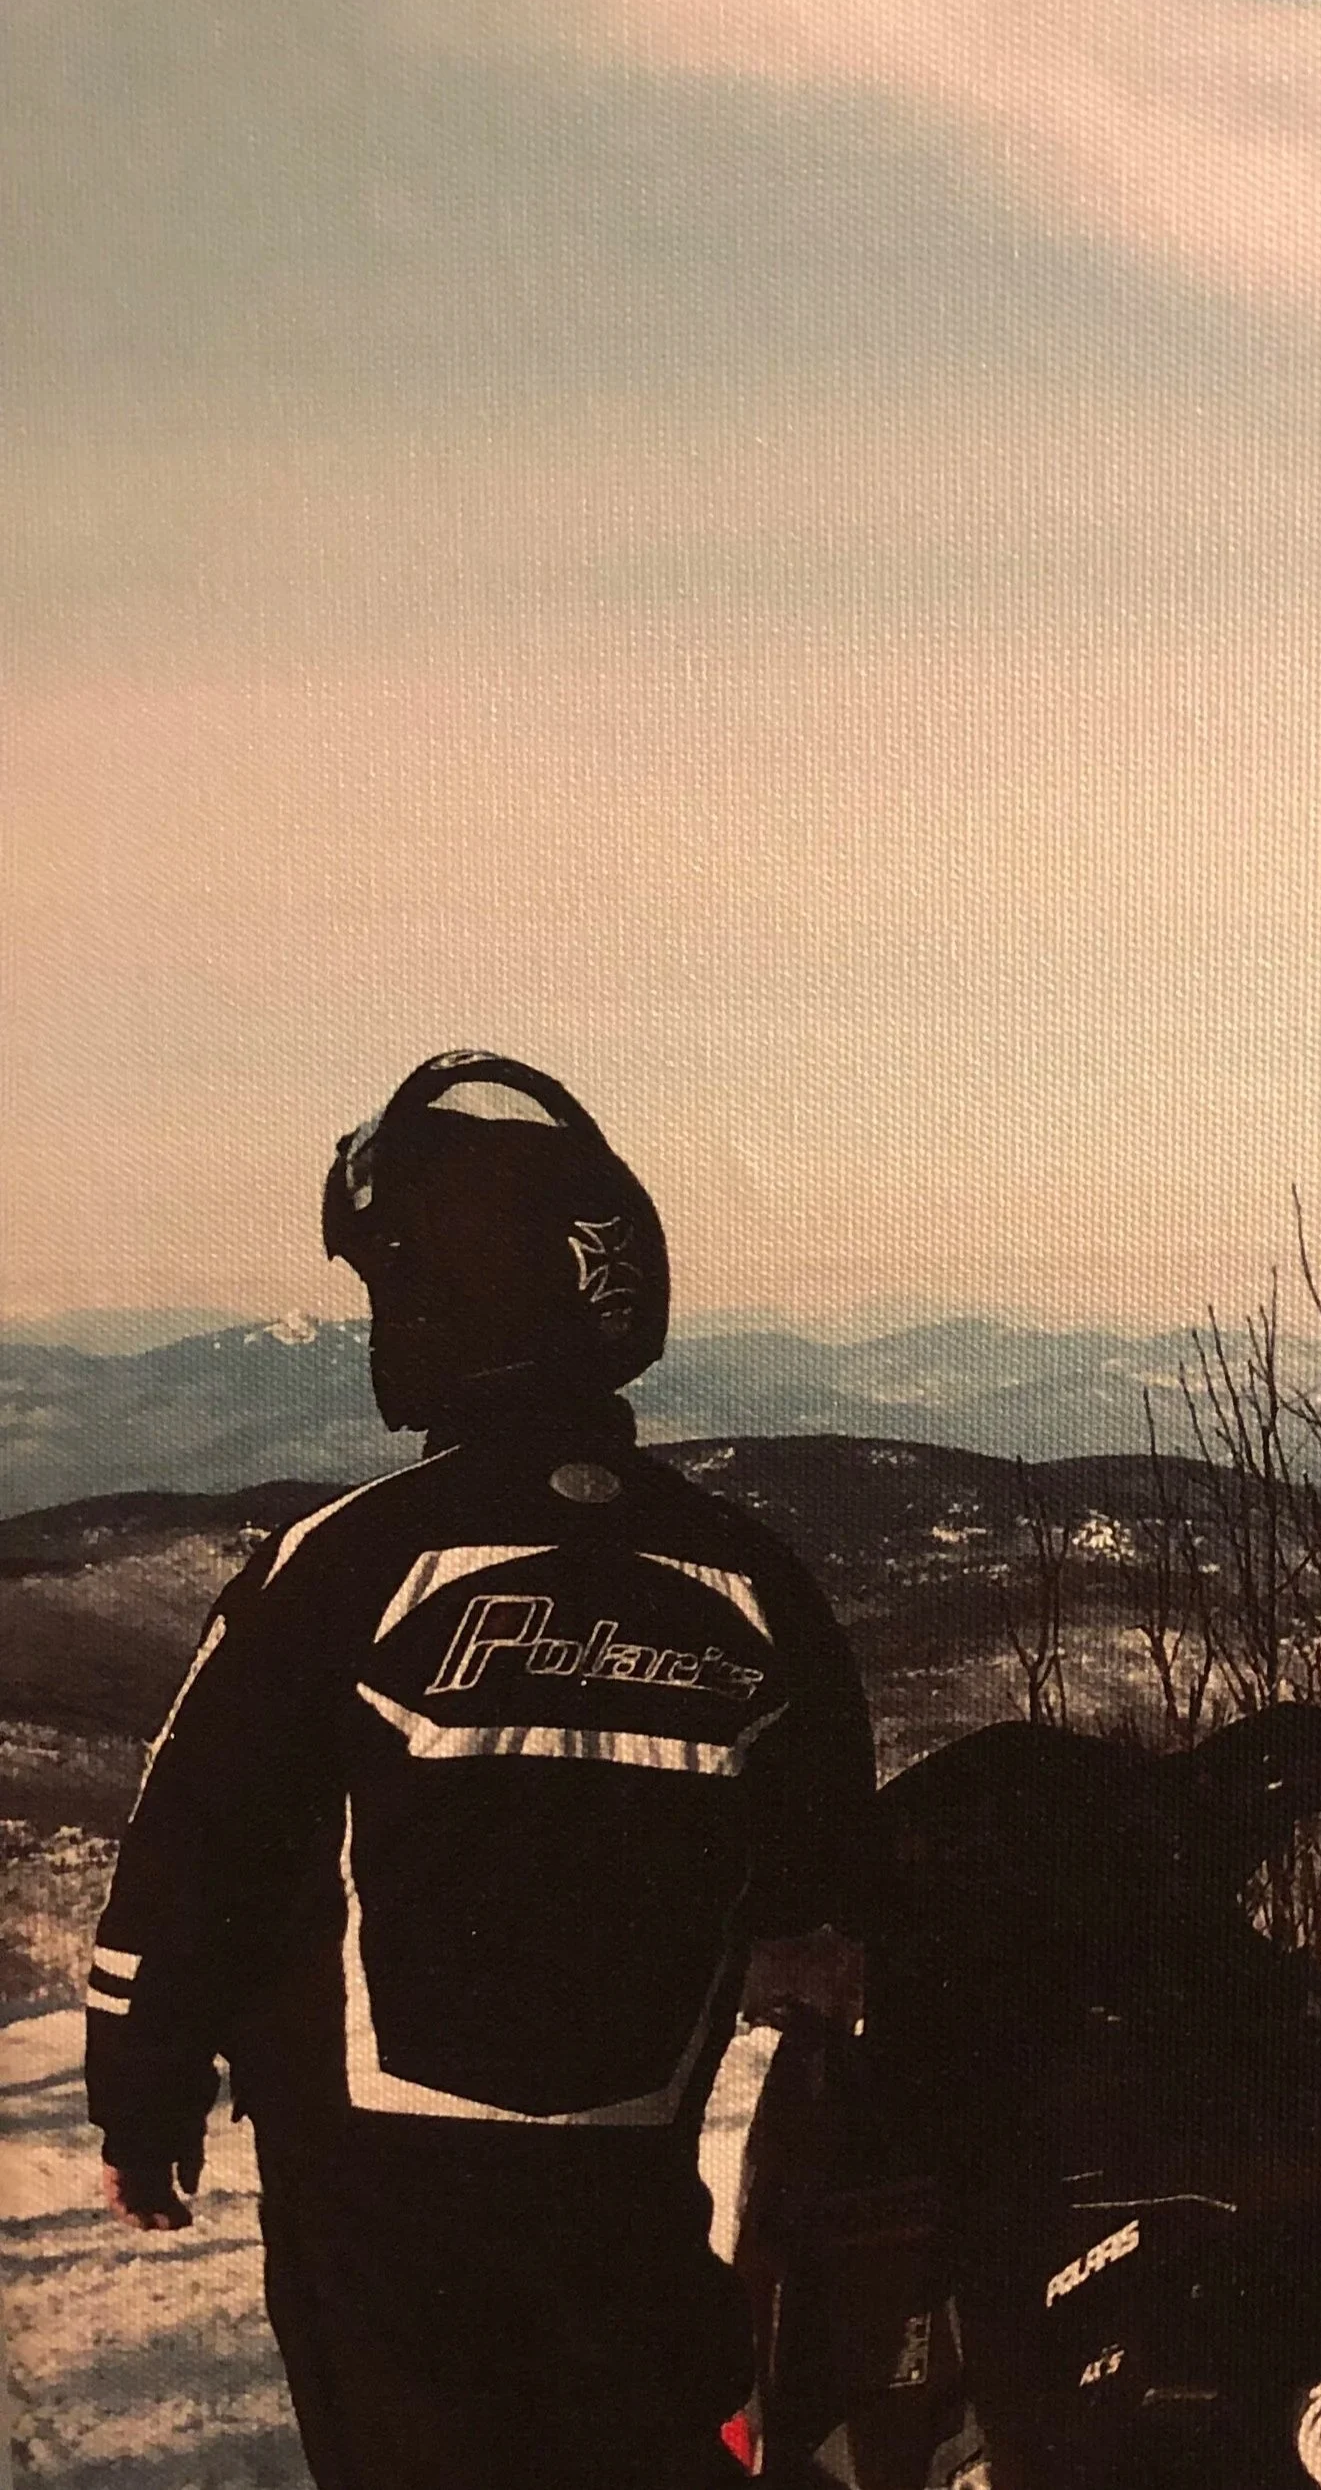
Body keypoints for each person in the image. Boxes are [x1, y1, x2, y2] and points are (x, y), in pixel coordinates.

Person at [83, 1051, 886, 2490]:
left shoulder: (345, 1564)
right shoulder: (763, 1584)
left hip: (381, 2219)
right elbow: (825, 1893)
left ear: (445, 1302)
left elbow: (188, 1858)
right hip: (630, 2184)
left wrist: (141, 2105)